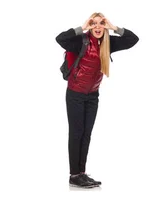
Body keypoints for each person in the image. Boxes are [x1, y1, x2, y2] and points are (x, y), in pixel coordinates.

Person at [55, 12, 139, 188]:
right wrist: (83, 27)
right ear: (90, 26)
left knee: (86, 134)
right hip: (75, 94)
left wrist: (114, 27)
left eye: (101, 23)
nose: (98, 27)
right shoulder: (81, 40)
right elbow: (60, 39)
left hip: (93, 96)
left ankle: (82, 173)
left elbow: (133, 39)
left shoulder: (108, 43)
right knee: (76, 133)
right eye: (94, 24)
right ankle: (74, 174)